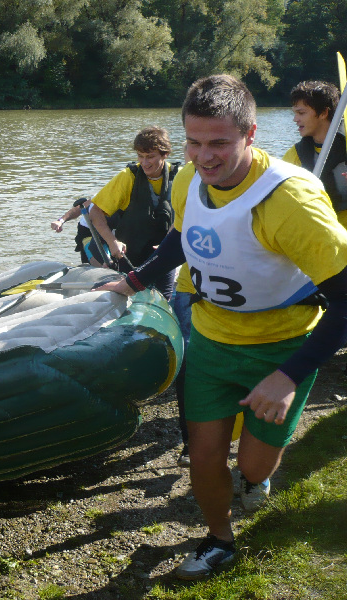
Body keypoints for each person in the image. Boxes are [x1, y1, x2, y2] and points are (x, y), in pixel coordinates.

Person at [96, 74, 347, 580]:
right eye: (193, 141)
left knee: (252, 466)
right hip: (211, 340)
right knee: (204, 454)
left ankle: (255, 481)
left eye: (219, 143)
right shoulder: (189, 179)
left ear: (251, 134)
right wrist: (132, 282)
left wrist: (290, 376)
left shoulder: (293, 200)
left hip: (281, 348)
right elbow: (180, 242)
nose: (203, 156)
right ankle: (219, 540)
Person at [87, 126, 182, 300]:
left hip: (164, 256)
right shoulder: (128, 177)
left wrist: (170, 240)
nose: (145, 163)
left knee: (164, 299)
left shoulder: (180, 178)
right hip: (128, 255)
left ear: (165, 154)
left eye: (150, 157)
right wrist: (112, 241)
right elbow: (95, 212)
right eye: (140, 156)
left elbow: (188, 215)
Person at [282, 80, 347, 227]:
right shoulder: (294, 156)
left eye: (301, 113)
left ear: (323, 113)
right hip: (319, 235)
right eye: (295, 113)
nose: (295, 119)